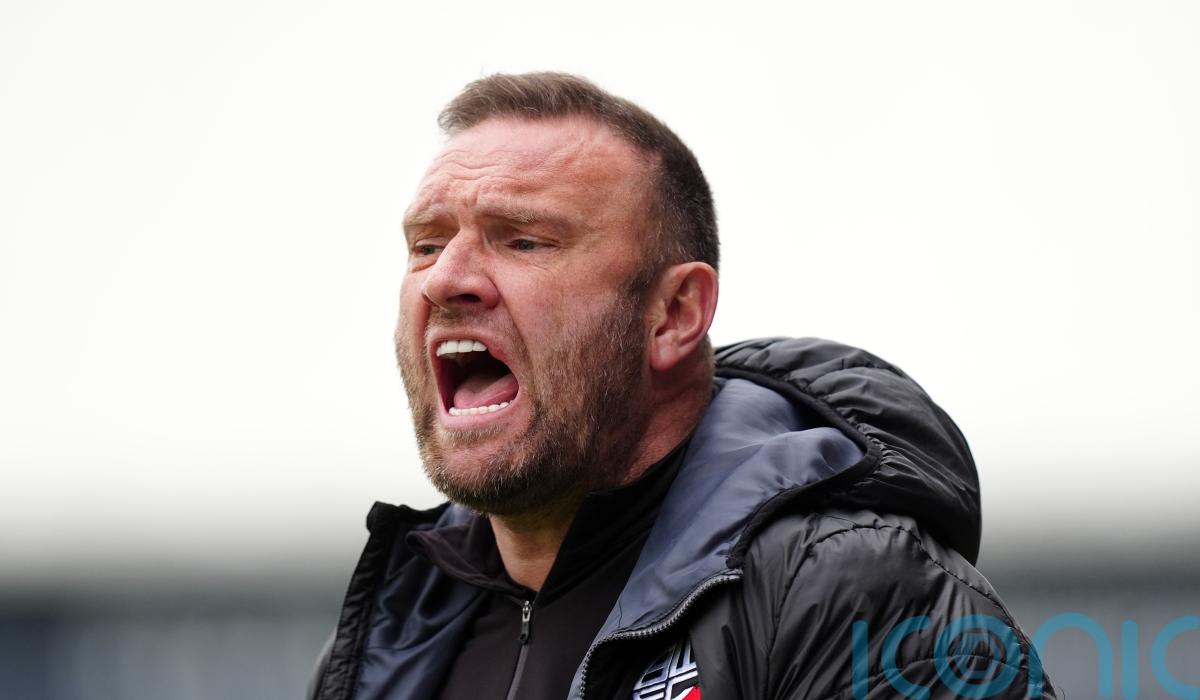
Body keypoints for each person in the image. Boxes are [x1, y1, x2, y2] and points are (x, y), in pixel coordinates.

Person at [308, 72, 1055, 700]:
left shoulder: (856, 594)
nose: (445, 279)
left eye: (524, 240)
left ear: (674, 314)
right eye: (427, 245)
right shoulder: (384, 642)